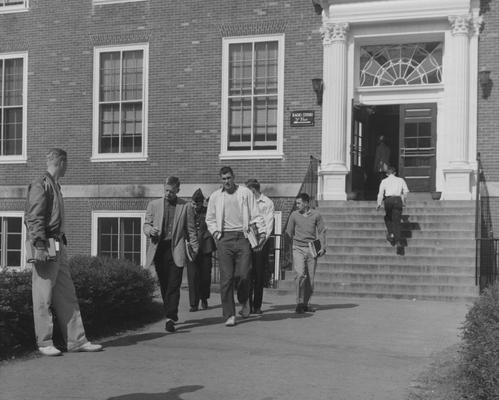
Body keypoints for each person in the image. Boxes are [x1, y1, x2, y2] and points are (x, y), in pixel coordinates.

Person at [25, 148, 102, 356]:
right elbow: (34, 217)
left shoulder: (54, 185)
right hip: (47, 244)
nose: (68, 167)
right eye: (66, 163)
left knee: (67, 294)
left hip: (58, 244)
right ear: (61, 162)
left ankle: (76, 340)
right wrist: (40, 245)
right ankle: (44, 342)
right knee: (43, 295)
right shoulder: (41, 184)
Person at [206, 166, 266, 327]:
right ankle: (229, 314)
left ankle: (244, 299)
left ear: (234, 177)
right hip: (224, 239)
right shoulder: (215, 197)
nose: (226, 181)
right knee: (226, 279)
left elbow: (255, 214)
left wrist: (262, 232)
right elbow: (209, 219)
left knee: (245, 274)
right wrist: (217, 235)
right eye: (223, 179)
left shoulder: (245, 193)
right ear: (221, 180)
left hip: (243, 237)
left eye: (229, 178)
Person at [143, 176, 199, 333]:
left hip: (177, 248)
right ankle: (169, 312)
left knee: (174, 284)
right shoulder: (153, 205)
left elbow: (191, 230)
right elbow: (146, 224)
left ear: (178, 190)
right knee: (165, 283)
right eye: (166, 190)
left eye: (171, 191)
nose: (168, 194)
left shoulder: (185, 206)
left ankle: (170, 317)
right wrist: (150, 231)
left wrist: (195, 248)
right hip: (159, 248)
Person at [286, 193, 326, 314]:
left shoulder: (316, 215)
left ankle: (306, 303)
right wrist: (289, 250)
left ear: (306, 203)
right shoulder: (294, 215)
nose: (296, 205)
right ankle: (299, 302)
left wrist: (323, 247)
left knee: (310, 279)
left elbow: (322, 231)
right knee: (300, 275)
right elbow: (288, 233)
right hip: (298, 248)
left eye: (299, 203)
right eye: (296, 203)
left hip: (311, 249)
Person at [245, 179, 274, 314]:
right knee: (247, 273)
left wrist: (261, 243)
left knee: (259, 274)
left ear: (253, 190)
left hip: (261, 244)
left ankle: (257, 305)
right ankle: (248, 305)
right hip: (247, 241)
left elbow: (268, 225)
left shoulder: (267, 203)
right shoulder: (245, 202)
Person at [186, 188, 216, 312]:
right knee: (192, 276)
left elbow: (212, 226)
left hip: (205, 247)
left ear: (202, 202)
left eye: (198, 203)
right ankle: (193, 303)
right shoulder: (188, 212)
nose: (196, 206)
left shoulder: (207, 212)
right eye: (194, 203)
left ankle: (204, 298)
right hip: (192, 249)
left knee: (205, 276)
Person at [376, 166, 409, 247]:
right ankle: (398, 241)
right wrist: (404, 201)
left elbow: (380, 193)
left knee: (388, 217)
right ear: (395, 173)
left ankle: (391, 233)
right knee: (397, 221)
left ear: (387, 174)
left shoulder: (384, 181)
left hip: (388, 200)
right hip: (397, 200)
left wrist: (379, 203)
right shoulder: (400, 180)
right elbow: (406, 191)